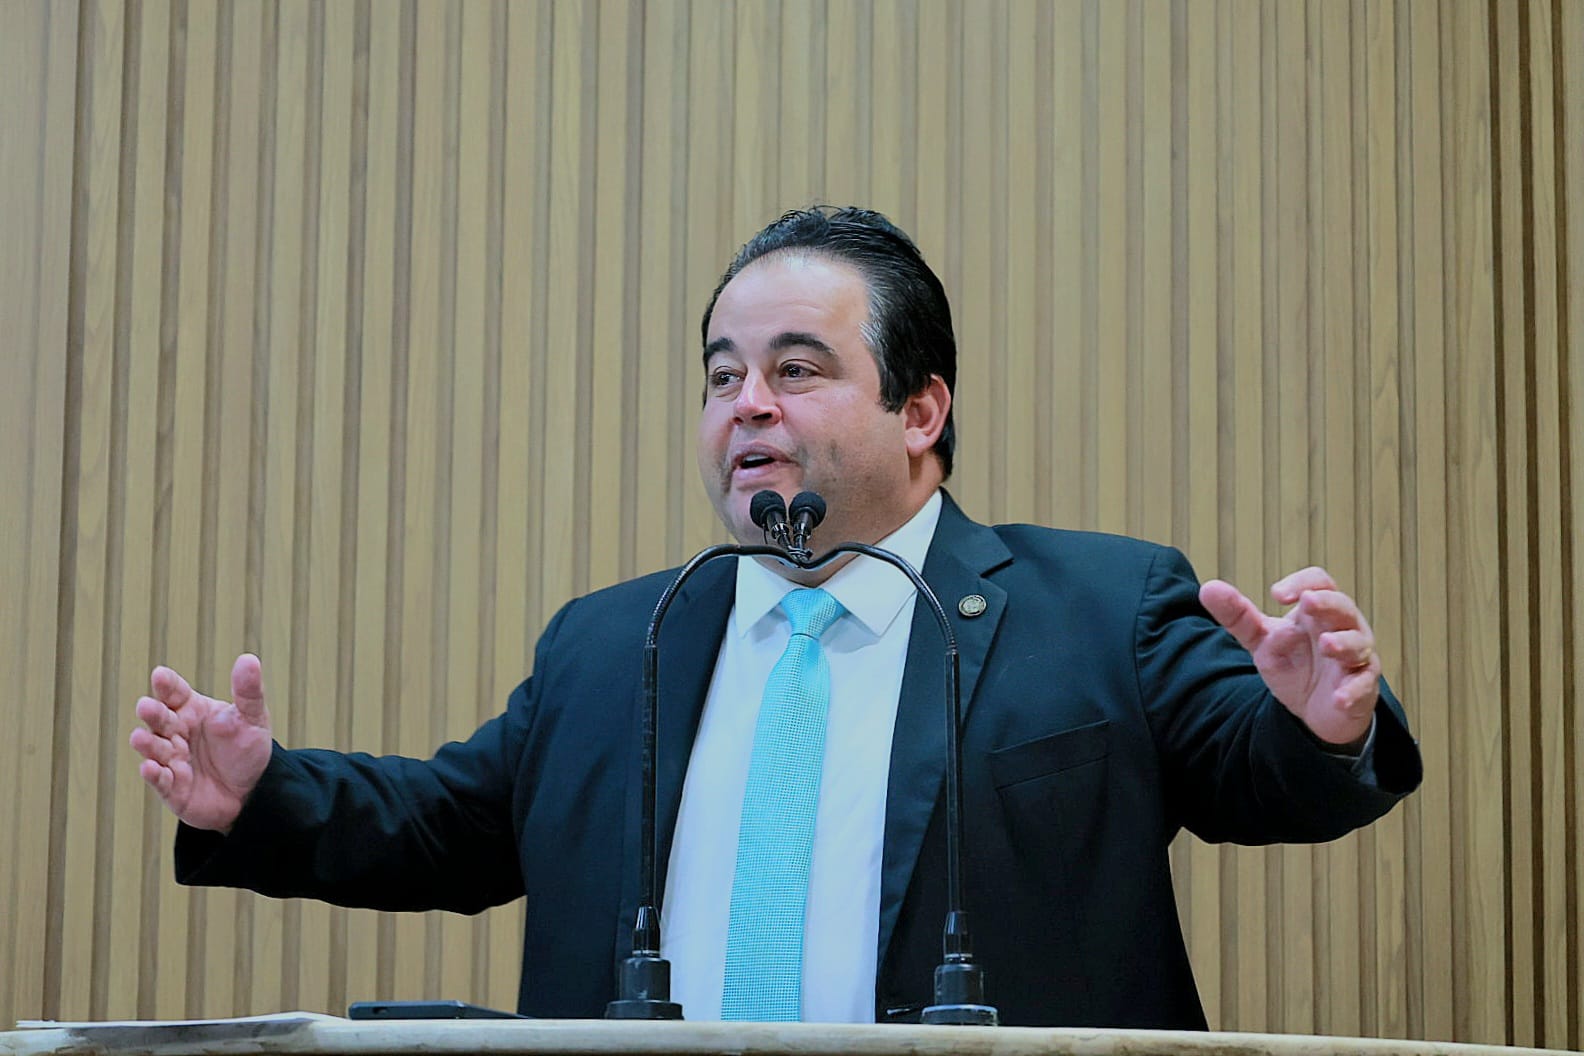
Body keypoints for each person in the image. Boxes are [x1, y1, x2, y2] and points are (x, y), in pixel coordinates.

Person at [131, 206, 1421, 1028]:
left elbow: (1259, 772)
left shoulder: (1097, 606)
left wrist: (1320, 723)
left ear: (921, 410)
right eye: (722, 376)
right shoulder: (616, 643)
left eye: (797, 369)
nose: (746, 403)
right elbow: (453, 828)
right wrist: (262, 794)